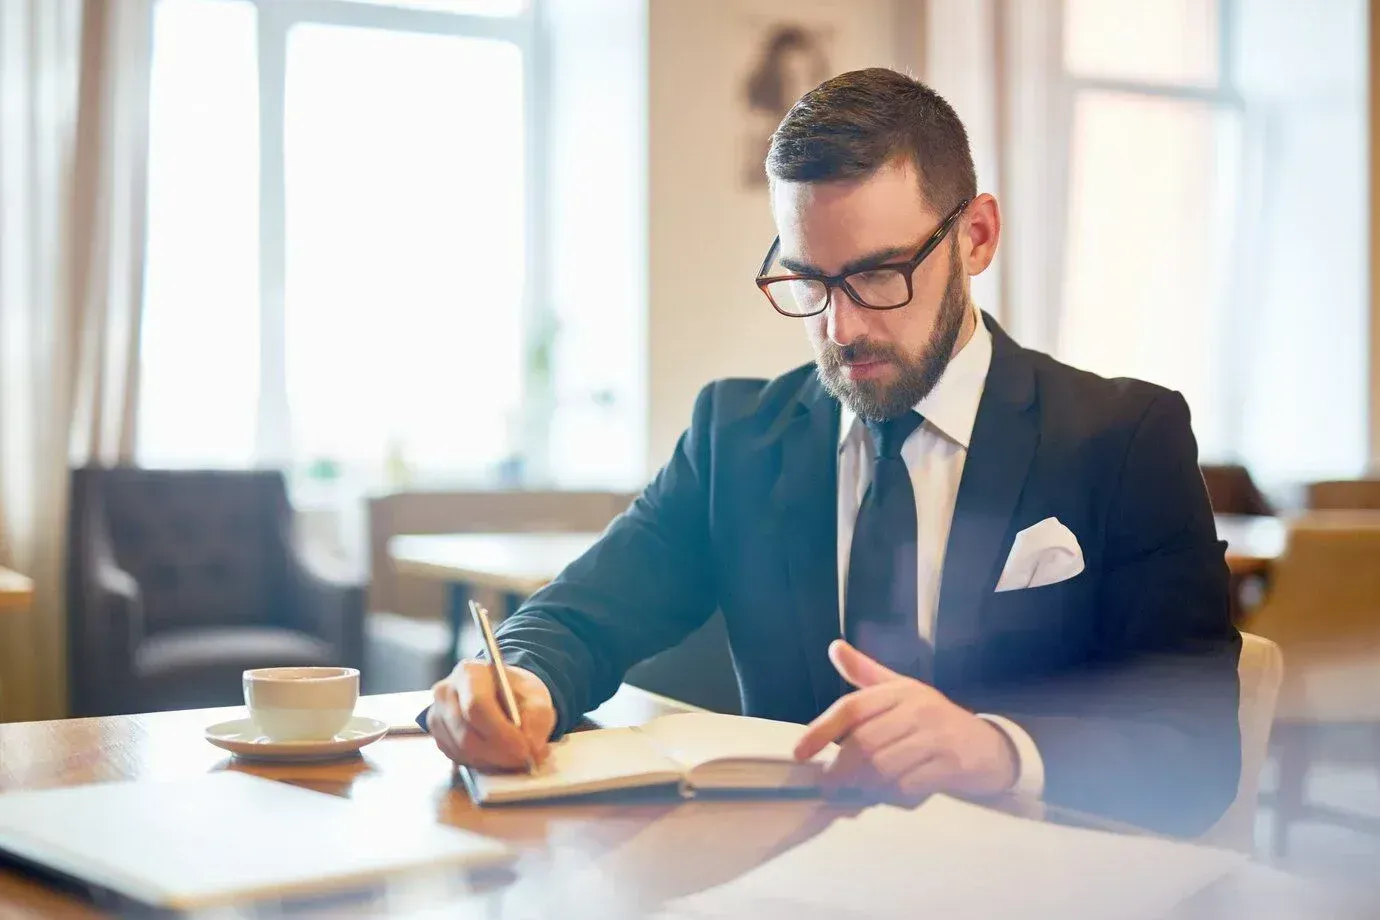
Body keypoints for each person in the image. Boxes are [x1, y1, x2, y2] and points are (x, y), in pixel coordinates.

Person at [425, 68, 1241, 836]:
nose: (840, 330)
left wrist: (996, 751)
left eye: (881, 276)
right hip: (783, 875)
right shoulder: (736, 438)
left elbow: (1197, 751)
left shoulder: (1124, 438)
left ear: (977, 237)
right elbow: (577, 620)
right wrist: (515, 684)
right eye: (807, 281)